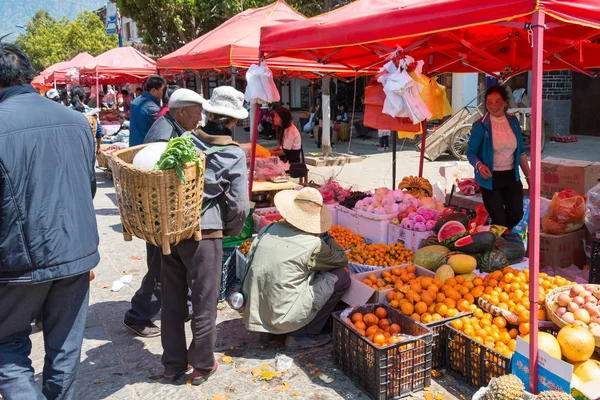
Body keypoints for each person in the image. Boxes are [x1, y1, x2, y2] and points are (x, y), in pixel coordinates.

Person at [0, 43, 99, 400]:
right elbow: (87, 187)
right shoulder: (77, 122)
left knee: (6, 349)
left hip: (16, 263)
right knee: (64, 350)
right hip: (74, 251)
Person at [159, 86, 249, 385]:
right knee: (204, 301)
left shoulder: (183, 141)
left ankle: (172, 365)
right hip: (206, 233)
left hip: (172, 230)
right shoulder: (234, 154)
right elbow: (238, 204)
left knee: (172, 300)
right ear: (233, 121)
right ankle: (201, 364)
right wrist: (231, 230)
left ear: (208, 113)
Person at [123, 89, 206, 338]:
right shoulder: (163, 135)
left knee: (169, 266)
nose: (199, 119)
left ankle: (182, 307)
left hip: (166, 213)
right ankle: (138, 316)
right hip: (161, 214)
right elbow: (159, 178)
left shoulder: (173, 126)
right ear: (182, 112)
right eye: (197, 113)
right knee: (161, 269)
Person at [242, 187, 350, 352]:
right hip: (283, 315)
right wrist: (327, 237)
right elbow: (341, 259)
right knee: (341, 277)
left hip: (256, 309)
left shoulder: (267, 229)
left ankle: (266, 330)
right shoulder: (312, 244)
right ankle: (302, 335)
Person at [467, 85, 530, 229]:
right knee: (499, 219)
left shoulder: (513, 122)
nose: (493, 106)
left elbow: (520, 152)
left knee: (517, 214)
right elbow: (471, 152)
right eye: (489, 102)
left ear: (505, 103)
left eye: (497, 101)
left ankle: (498, 236)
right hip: (490, 179)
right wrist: (480, 166)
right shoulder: (480, 125)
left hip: (511, 176)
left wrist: (529, 177)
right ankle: (499, 240)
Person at [129, 75, 166, 146]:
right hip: (145, 146)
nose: (163, 93)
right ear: (153, 90)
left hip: (134, 143)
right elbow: (163, 127)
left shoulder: (136, 100)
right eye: (162, 90)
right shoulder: (151, 107)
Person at [70, 85, 102, 153]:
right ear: (84, 97)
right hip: (88, 148)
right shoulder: (92, 111)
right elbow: (98, 131)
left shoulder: (65, 111)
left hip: (71, 147)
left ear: (71, 97)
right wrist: (98, 147)